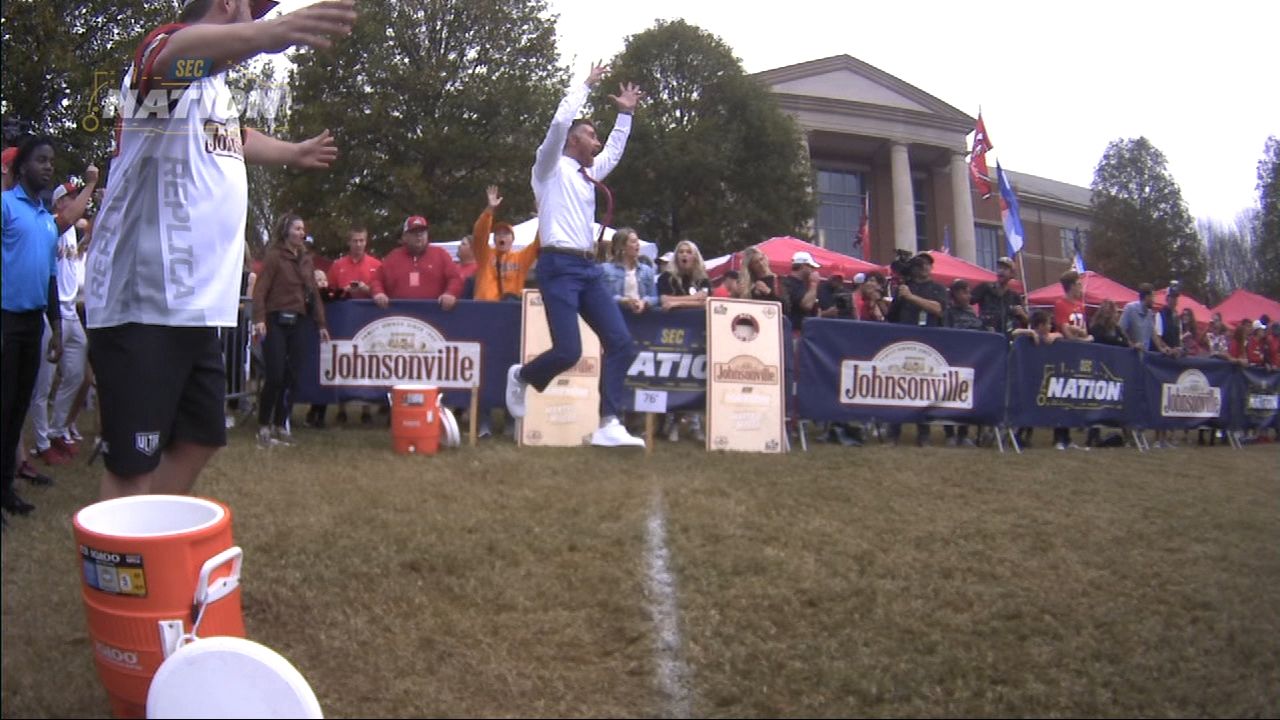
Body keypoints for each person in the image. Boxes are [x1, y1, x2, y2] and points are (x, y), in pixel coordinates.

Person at [83, 0, 354, 500]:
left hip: (195, 309)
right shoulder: (169, 72)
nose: (263, 21)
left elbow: (237, 137)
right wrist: (270, 34)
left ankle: (153, 536)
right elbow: (169, 58)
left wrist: (292, 153)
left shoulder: (211, 92)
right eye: (259, 10)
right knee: (132, 463)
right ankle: (117, 566)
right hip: (143, 304)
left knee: (199, 438)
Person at [504, 62, 647, 449]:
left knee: (621, 343)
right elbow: (558, 123)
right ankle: (522, 377)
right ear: (573, 140)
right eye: (591, 134)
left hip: (588, 267)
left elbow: (615, 152)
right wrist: (583, 85)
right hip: (557, 266)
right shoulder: (548, 168)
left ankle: (609, 423)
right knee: (569, 351)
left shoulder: (588, 174)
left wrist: (625, 114)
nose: (597, 141)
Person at [2, 137, 93, 516]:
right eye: (40, 160)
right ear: (22, 167)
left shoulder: (44, 219)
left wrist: (56, 327)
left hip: (33, 323)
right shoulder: (6, 206)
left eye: (51, 161)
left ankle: (6, 489)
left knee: (17, 409)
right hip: (5, 321)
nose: (48, 167)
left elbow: (52, 278)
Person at [28, 179, 96, 467]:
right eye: (69, 197)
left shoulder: (71, 234)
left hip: (70, 312)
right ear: (58, 203)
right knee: (43, 384)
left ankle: (57, 430)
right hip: (50, 312)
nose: (75, 200)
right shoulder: (53, 225)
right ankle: (41, 442)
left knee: (76, 375)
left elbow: (87, 235)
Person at [253, 214, 330, 447]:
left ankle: (280, 423)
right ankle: (263, 426)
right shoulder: (275, 256)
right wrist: (259, 318)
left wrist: (321, 324)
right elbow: (260, 290)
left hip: (300, 320)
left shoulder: (306, 259)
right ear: (286, 231)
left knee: (292, 376)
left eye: (303, 229)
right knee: (275, 375)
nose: (301, 233)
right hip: (276, 319)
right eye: (297, 228)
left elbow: (314, 294)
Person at [885, 253, 946, 446]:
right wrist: (900, 295)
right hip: (903, 340)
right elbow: (892, 315)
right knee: (898, 387)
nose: (924, 268)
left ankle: (924, 433)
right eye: (920, 265)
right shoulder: (905, 288)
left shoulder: (937, 288)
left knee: (924, 388)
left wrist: (910, 297)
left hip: (927, 342)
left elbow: (938, 309)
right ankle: (893, 432)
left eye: (928, 264)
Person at [371, 215, 463, 307]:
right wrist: (379, 293)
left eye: (422, 232)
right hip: (401, 315)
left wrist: (450, 293)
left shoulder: (441, 254)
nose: (419, 236)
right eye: (414, 232)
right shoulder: (393, 257)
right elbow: (377, 280)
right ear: (404, 236)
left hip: (434, 314)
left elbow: (455, 278)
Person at [471, 185, 541, 302]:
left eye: (506, 233)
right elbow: (479, 235)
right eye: (498, 233)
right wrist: (489, 210)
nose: (501, 236)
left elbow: (537, 244)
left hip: (509, 308)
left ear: (512, 239)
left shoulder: (520, 258)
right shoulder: (485, 255)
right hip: (485, 307)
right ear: (493, 239)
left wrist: (543, 217)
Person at [942, 279, 984, 447]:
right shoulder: (949, 313)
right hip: (953, 361)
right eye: (964, 292)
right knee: (949, 397)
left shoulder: (972, 313)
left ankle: (963, 433)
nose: (968, 296)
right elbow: (946, 334)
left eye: (969, 292)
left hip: (971, 361)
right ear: (956, 294)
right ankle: (949, 433)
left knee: (966, 397)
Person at [602, 226, 657, 314]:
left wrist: (644, 302)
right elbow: (602, 296)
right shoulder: (605, 269)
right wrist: (623, 300)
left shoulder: (647, 270)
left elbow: (655, 297)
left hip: (642, 318)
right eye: (633, 242)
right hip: (615, 315)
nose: (638, 244)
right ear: (622, 246)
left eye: (637, 241)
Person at [971, 256, 1028, 336]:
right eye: (999, 268)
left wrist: (1022, 314)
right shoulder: (985, 288)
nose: (1001, 271)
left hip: (1007, 339)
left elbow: (1027, 322)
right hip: (987, 337)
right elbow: (966, 301)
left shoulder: (1014, 296)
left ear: (1012, 274)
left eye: (1005, 269)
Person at [326, 225, 380, 300]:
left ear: (366, 242)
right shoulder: (337, 266)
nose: (358, 244)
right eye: (355, 241)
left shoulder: (377, 265)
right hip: (345, 310)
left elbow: (384, 294)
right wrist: (344, 291)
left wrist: (367, 289)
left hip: (369, 311)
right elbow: (328, 294)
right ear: (349, 242)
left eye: (361, 240)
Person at [1119, 284, 1171, 354]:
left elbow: (1153, 333)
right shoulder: (1130, 308)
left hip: (1144, 355)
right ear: (1147, 297)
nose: (1154, 300)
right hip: (1130, 354)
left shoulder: (1149, 313)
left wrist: (1161, 349)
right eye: (1153, 296)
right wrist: (1132, 345)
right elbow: (1120, 329)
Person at [780, 251, 821, 331]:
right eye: (811, 267)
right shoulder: (789, 283)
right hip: (794, 330)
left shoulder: (803, 285)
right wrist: (814, 283)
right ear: (803, 266)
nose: (812, 270)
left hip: (806, 330)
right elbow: (806, 305)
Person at [1052, 270, 1092, 341]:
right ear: (1072, 286)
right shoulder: (1060, 304)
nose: (1081, 288)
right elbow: (1067, 334)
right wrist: (1084, 339)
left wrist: (1080, 332)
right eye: (1079, 284)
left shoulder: (1081, 306)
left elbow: (1085, 331)